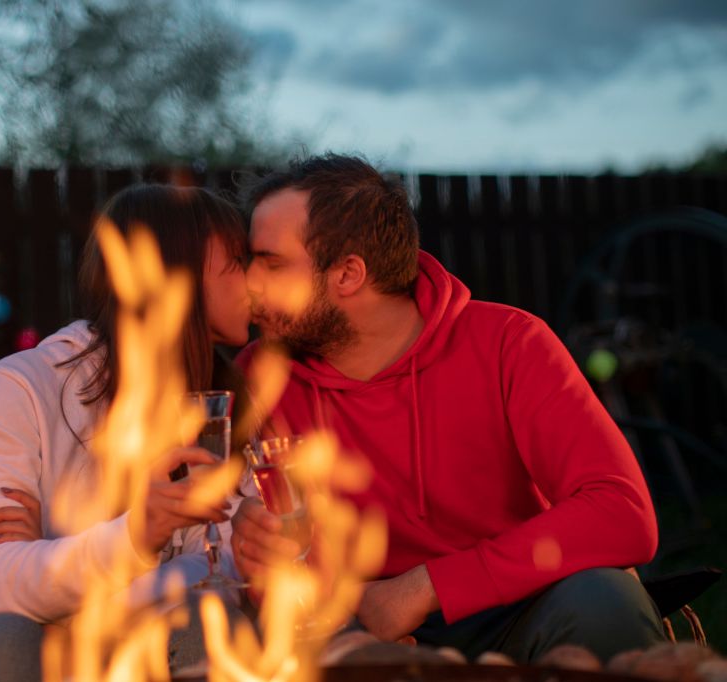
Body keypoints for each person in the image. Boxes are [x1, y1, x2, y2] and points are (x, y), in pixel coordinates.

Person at [230, 153, 665, 663]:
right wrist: (258, 550)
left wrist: (424, 588)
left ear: (348, 274)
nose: (249, 281)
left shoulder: (508, 343)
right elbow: (280, 573)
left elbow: (622, 511)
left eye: (272, 263)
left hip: (513, 605)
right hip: (354, 624)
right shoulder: (259, 375)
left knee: (606, 600)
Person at [0, 184, 253, 681]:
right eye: (238, 262)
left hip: (115, 665)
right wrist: (137, 536)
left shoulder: (221, 409)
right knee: (9, 640)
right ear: (175, 274)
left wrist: (57, 584)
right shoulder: (20, 388)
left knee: (207, 618)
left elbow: (222, 572)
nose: (255, 281)